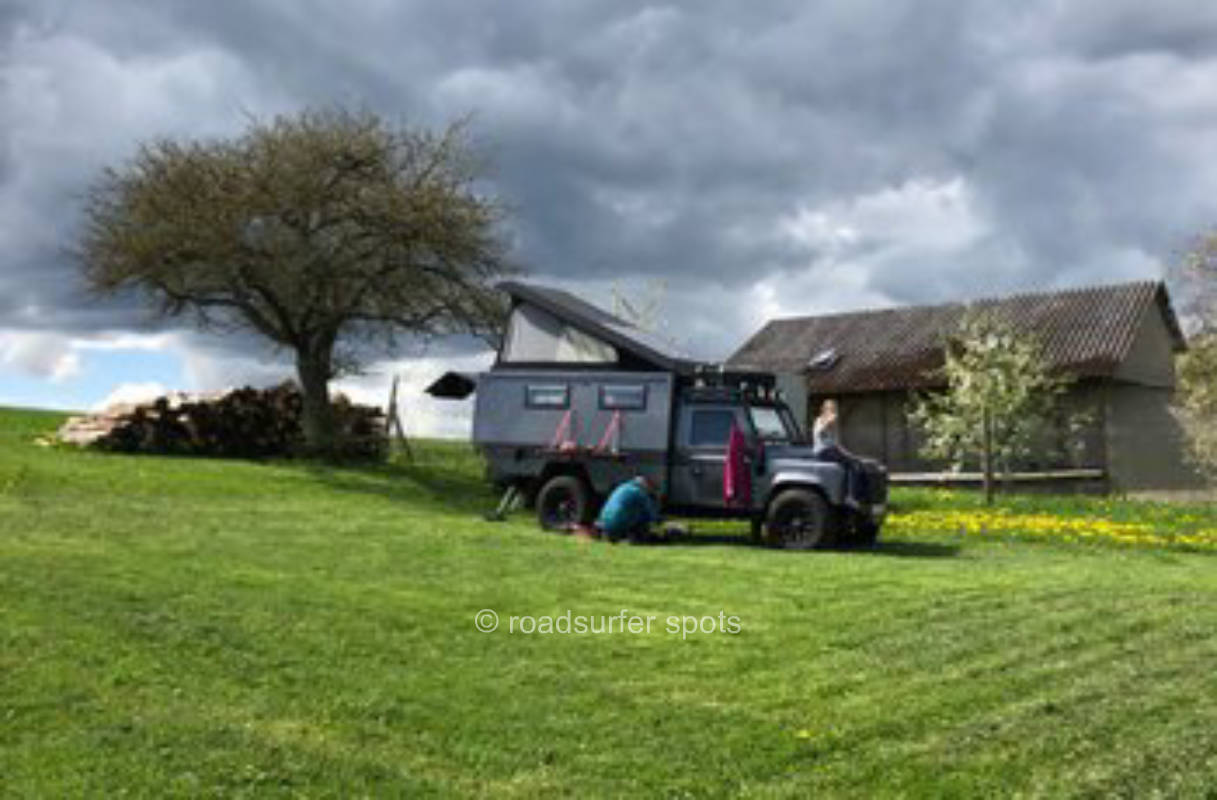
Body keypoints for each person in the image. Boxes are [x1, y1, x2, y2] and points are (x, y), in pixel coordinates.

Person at [812, 399, 867, 506]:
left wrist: (849, 455)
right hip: (822, 451)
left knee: (857, 463)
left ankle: (860, 495)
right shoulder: (819, 420)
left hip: (832, 450)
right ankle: (850, 497)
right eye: (830, 408)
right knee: (852, 466)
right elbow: (820, 433)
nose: (832, 411)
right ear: (824, 409)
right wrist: (828, 421)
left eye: (834, 409)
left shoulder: (834, 426)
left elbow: (837, 445)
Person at [595, 475, 662, 543]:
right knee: (642, 515)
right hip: (616, 525)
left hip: (602, 524)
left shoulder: (622, 487)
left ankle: (610, 534)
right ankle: (635, 538)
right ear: (645, 485)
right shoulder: (638, 492)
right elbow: (651, 514)